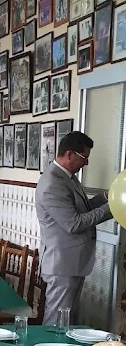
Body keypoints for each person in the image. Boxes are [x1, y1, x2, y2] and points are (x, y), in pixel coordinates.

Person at [34, 130, 112, 326]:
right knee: (56, 322)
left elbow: (83, 209)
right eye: (84, 157)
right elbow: (74, 223)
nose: (87, 163)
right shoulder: (52, 183)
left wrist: (107, 197)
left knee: (66, 320)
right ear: (69, 154)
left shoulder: (67, 177)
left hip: (72, 262)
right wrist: (111, 208)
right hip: (62, 264)